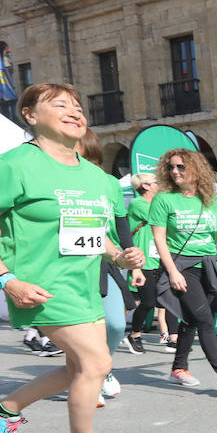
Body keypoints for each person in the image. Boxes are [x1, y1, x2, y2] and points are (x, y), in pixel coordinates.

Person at [0, 83, 144, 433]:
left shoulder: (100, 178)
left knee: (84, 367)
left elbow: (96, 235)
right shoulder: (13, 166)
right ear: (30, 115)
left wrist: (122, 257)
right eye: (60, 105)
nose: (75, 112)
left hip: (85, 286)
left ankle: (2, 410)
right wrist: (5, 279)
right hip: (40, 286)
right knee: (95, 362)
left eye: (78, 106)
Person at [151, 148, 217, 391]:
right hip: (181, 266)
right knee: (204, 319)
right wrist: (173, 272)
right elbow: (159, 240)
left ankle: (178, 368)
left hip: (209, 266)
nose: (175, 171)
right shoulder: (164, 199)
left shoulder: (212, 201)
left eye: (181, 167)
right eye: (171, 167)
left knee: (191, 319)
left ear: (196, 169)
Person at [77, 128, 130, 405]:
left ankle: (103, 367)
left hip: (105, 261)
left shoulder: (109, 183)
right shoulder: (57, 179)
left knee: (115, 324)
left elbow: (121, 225)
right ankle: (91, 377)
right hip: (70, 266)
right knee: (81, 328)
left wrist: (135, 265)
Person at [124, 170, 178, 352]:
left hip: (161, 259)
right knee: (146, 302)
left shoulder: (159, 202)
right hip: (143, 261)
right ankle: (134, 335)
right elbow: (161, 218)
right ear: (145, 186)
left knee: (169, 299)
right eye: (156, 182)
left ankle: (173, 338)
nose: (160, 184)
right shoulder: (137, 203)